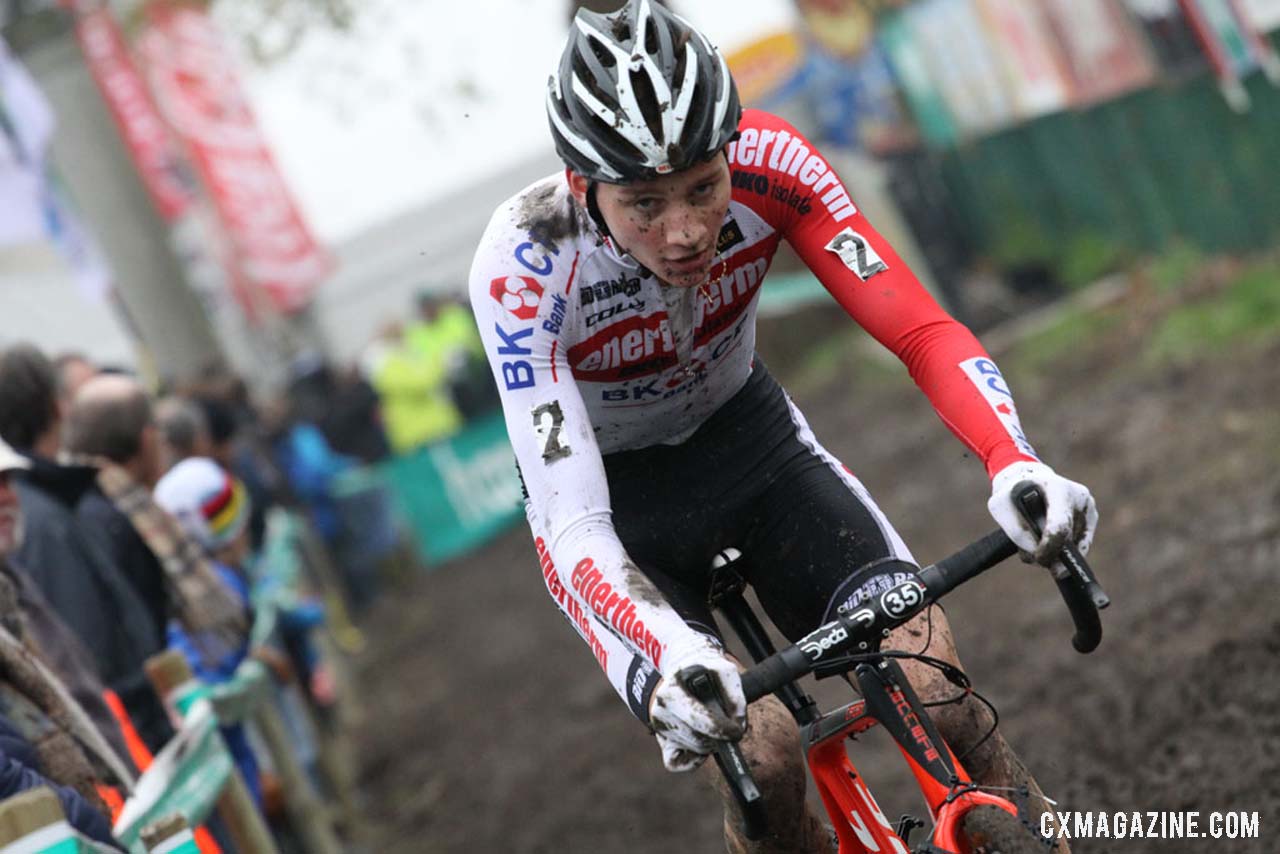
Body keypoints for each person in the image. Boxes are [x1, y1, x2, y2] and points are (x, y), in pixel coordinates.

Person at [467, 3, 1097, 852]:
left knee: (938, 688)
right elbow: (574, 522)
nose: (685, 230)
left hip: (751, 446)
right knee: (761, 761)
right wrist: (664, 648)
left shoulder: (775, 163)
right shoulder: (526, 261)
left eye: (702, 186)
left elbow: (920, 331)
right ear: (584, 187)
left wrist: (1015, 461)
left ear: (730, 150)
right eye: (644, 204)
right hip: (618, 514)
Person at [0, 345, 173, 755]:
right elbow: (89, 654)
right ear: (57, 407)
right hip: (138, 741)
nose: (5, 495)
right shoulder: (39, 518)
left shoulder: (51, 499)